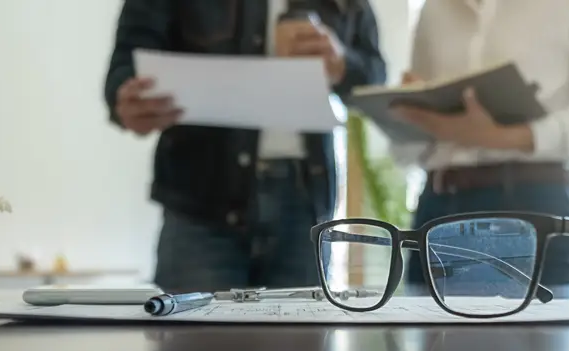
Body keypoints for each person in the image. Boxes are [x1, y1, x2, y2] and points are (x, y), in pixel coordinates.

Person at [104, 0, 388, 293]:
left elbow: (376, 76)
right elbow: (126, 66)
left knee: (298, 336)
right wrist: (127, 101)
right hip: (201, 200)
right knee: (193, 336)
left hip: (304, 205)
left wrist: (342, 63)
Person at [390, 0, 569, 287]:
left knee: (541, 332)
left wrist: (496, 136)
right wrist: (409, 113)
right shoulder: (435, 7)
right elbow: (412, 143)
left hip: (532, 203)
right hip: (437, 206)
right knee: (425, 331)